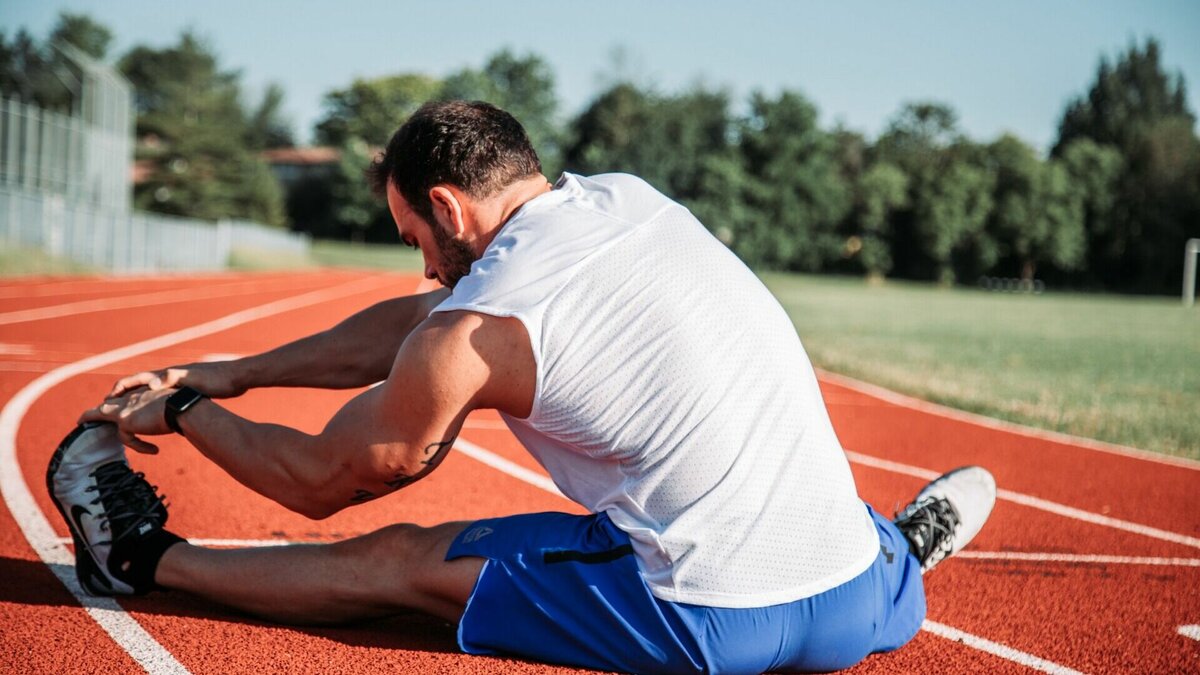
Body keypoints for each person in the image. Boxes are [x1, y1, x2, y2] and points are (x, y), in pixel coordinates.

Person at [49, 100, 996, 673]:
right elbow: (418, 324)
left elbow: (321, 478)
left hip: (707, 616)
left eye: (415, 238)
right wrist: (237, 372)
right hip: (852, 604)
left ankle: (139, 560)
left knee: (399, 562)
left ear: (450, 208)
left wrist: (183, 407)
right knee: (787, 480)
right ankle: (903, 551)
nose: (421, 267)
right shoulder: (626, 200)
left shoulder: (473, 328)